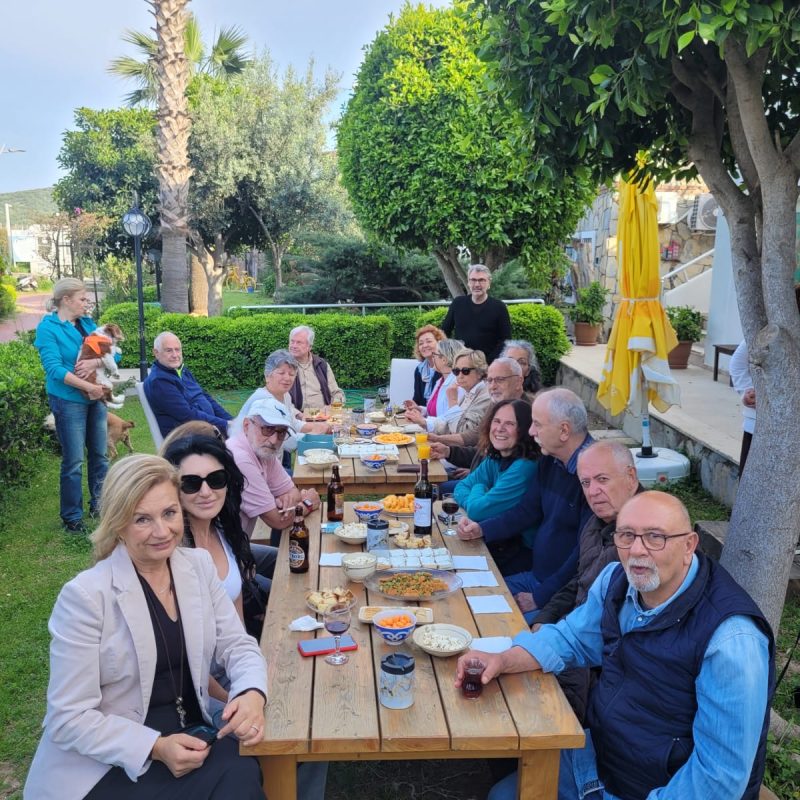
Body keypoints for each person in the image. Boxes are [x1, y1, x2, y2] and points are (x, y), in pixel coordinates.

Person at [460, 491, 773, 800]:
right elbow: (571, 637)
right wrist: (503, 659)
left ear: (689, 545)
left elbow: (719, 780)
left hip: (654, 787)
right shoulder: (616, 580)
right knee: (501, 793)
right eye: (626, 535)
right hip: (599, 760)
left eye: (655, 537)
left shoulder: (731, 639)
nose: (637, 550)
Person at [24, 454, 267, 800]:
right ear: (118, 523)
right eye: (142, 519)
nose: (162, 531)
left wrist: (251, 693)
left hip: (191, 735)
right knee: (236, 774)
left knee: (242, 767)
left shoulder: (197, 566)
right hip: (109, 761)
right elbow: (68, 717)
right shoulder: (86, 597)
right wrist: (155, 747)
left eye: (169, 513)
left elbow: (237, 645)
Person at [457, 388, 593, 623]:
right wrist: (482, 529)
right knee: (460, 596)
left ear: (564, 431)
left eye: (537, 424)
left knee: (478, 621)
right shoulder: (550, 460)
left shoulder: (593, 475)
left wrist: (539, 596)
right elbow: (525, 512)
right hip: (535, 577)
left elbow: (584, 556)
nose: (530, 432)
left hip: (559, 594)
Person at [535, 440, 641, 721]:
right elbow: (579, 580)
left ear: (631, 477)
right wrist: (545, 618)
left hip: (601, 664)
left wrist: (556, 639)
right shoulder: (596, 523)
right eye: (585, 482)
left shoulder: (646, 538)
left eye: (602, 480)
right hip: (572, 633)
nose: (593, 492)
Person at [162, 434, 274, 639]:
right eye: (191, 483)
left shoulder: (224, 532)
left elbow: (239, 624)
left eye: (216, 479)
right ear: (174, 490)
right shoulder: (170, 550)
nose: (206, 492)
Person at [35, 278, 111, 533]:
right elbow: (54, 369)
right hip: (68, 401)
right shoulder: (48, 328)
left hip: (95, 397)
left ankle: (100, 505)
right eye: (82, 299)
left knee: (100, 454)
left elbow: (114, 352)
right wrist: (88, 387)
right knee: (74, 461)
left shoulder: (87, 324)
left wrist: (95, 363)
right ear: (66, 300)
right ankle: (72, 517)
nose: (86, 303)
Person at [453, 400, 540, 575]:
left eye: (510, 424)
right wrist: (479, 493)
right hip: (497, 540)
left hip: (520, 551)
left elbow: (478, 510)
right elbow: (461, 487)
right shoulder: (497, 457)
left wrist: (478, 487)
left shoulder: (525, 466)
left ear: (524, 430)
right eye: (497, 421)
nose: (500, 428)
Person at [226, 397, 321, 539]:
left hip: (239, 545)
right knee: (298, 551)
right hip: (227, 551)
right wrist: (308, 503)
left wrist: (287, 500)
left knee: (294, 550)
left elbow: (293, 493)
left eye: (281, 432)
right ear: (246, 426)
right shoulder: (240, 459)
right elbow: (278, 521)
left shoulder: (263, 451)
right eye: (267, 429)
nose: (274, 440)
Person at [429, 357, 528, 467]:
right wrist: (448, 451)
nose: (493, 386)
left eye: (500, 380)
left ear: (519, 381)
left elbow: (510, 461)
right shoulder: (496, 403)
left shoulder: (529, 412)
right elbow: (479, 441)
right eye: (490, 380)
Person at [144, 332, 233, 439]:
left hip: (206, 429)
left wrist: (231, 420)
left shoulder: (182, 371)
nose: (175, 355)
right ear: (156, 353)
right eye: (169, 350)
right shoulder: (159, 381)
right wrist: (226, 425)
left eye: (177, 350)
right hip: (189, 439)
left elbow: (206, 397)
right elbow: (187, 415)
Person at [230, 350, 331, 439]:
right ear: (267, 376)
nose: (287, 378)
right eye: (281, 373)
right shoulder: (265, 401)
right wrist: (317, 432)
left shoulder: (285, 395)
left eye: (291, 374)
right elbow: (288, 441)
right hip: (247, 451)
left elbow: (292, 423)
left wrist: (320, 426)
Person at [441, 264, 511, 363]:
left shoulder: (499, 307)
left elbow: (505, 341)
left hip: (488, 364)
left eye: (481, 280)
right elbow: (443, 333)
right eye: (473, 280)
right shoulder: (457, 303)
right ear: (468, 282)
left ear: (489, 283)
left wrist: (487, 363)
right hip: (460, 364)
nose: (477, 284)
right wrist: (452, 356)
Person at [425, 348, 491, 444]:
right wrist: (423, 423)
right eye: (456, 371)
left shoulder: (486, 396)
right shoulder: (469, 391)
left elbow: (464, 433)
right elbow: (449, 423)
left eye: (465, 371)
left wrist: (452, 402)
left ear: (479, 372)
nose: (460, 376)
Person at [403, 338, 465, 424]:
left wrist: (423, 421)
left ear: (444, 359)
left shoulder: (457, 385)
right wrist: (419, 409)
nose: (432, 358)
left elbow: (450, 420)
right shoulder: (440, 381)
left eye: (434, 355)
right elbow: (436, 413)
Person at [287, 325, 345, 413]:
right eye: (292, 341)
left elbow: (336, 393)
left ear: (310, 347)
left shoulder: (322, 365)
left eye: (299, 342)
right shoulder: (284, 366)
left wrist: (332, 407)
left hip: (323, 415)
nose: (294, 346)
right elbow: (279, 398)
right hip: (295, 417)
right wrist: (298, 415)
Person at [729, 339, 756, 474]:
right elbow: (738, 363)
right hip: (757, 423)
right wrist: (748, 390)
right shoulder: (762, 331)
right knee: (751, 476)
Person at [410, 324, 446, 406]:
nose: (424, 346)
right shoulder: (419, 369)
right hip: (423, 412)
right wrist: (413, 407)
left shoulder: (445, 367)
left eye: (429, 341)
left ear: (439, 343)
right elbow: (417, 399)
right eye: (421, 343)